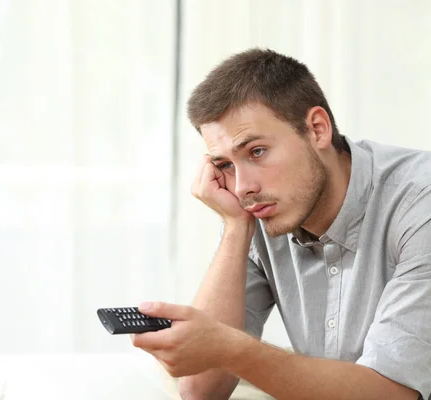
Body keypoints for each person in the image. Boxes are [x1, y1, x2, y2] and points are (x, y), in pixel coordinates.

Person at [130, 48, 431, 400]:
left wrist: (232, 349)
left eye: (256, 152)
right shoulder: (263, 209)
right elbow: (201, 390)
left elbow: (392, 395)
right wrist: (235, 226)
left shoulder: (418, 205)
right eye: (225, 164)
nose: (243, 187)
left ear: (317, 129)